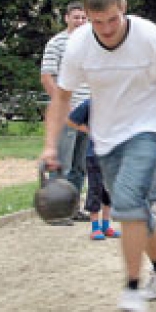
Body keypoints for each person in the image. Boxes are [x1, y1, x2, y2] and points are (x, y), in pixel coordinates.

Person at [42, 0, 156, 312]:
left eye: (113, 19)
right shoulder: (79, 45)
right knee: (133, 208)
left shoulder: (149, 37)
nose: (107, 29)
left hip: (149, 127)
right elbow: (62, 98)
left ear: (123, 7)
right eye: (98, 22)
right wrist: (50, 145)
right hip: (106, 136)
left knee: (125, 201)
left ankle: (132, 287)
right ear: (86, 16)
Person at [40, 2, 92, 222]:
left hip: (86, 111)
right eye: (76, 17)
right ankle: (56, 210)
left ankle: (73, 207)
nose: (80, 21)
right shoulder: (57, 43)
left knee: (81, 165)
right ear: (67, 18)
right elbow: (47, 77)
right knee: (62, 163)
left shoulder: (91, 43)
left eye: (83, 18)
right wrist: (62, 105)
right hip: (67, 112)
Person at [66, 99, 120, 241]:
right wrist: (88, 130)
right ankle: (95, 227)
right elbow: (71, 120)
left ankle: (106, 225)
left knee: (109, 191)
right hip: (95, 155)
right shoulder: (90, 103)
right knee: (95, 190)